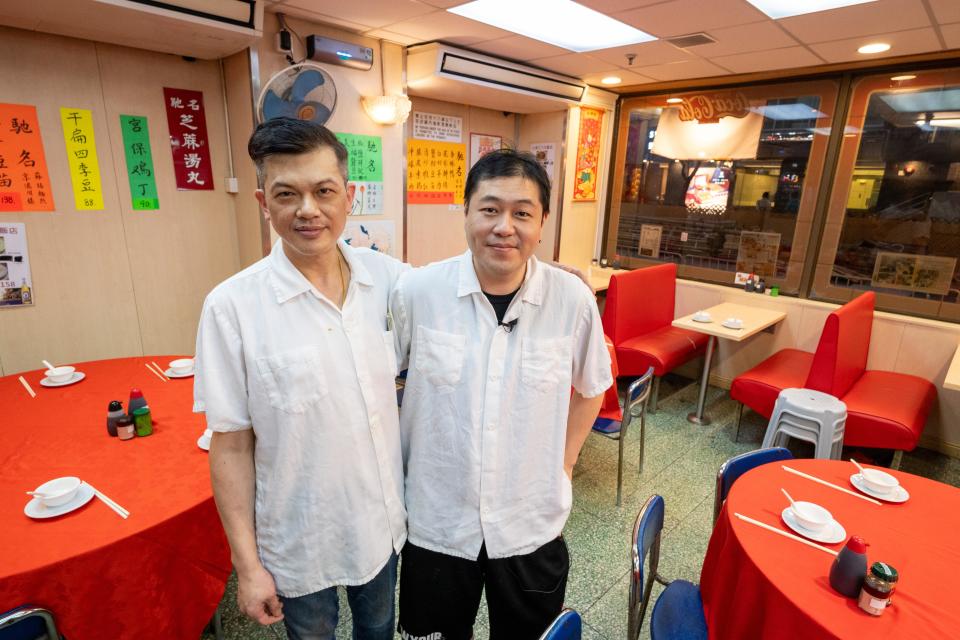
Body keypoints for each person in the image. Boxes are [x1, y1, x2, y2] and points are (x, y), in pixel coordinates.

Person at [193, 118, 406, 640]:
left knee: (379, 629)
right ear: (265, 202)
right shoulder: (232, 307)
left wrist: (547, 276)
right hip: (298, 536)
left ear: (348, 197)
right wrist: (247, 566)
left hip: (381, 523)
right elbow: (231, 446)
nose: (308, 210)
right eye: (288, 194)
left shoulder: (392, 282)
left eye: (324, 191)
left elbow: (464, 285)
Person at [391, 149, 612, 640]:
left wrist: (566, 464)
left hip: (530, 517)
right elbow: (380, 381)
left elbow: (592, 387)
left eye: (522, 213)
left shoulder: (570, 299)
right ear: (466, 211)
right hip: (437, 520)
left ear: (543, 222)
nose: (504, 227)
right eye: (489, 209)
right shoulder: (418, 291)